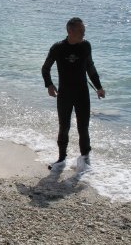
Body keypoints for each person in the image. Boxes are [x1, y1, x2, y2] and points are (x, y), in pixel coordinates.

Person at [41, 17, 105, 167]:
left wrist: (99, 87)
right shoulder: (58, 48)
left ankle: (85, 160)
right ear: (70, 31)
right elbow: (45, 68)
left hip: (82, 93)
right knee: (64, 127)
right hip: (65, 94)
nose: (84, 33)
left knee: (83, 127)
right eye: (81, 31)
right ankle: (61, 159)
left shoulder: (85, 46)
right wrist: (49, 85)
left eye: (84, 30)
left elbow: (90, 68)